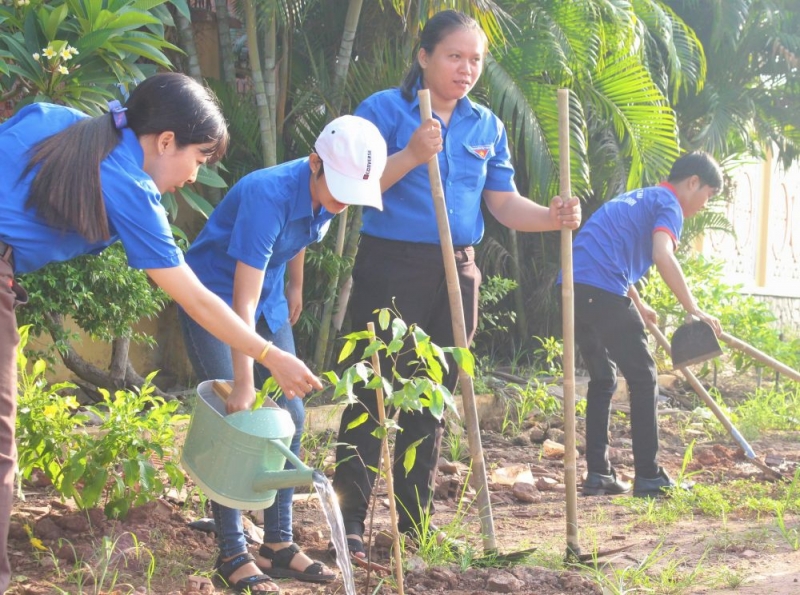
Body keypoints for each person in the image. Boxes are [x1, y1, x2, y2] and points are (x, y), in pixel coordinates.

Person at [0, 72, 322, 595]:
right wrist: (269, 355)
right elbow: (193, 296)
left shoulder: (56, 121)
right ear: (166, 141)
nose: (194, 177)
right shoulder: (128, 183)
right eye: (197, 158)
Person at [330, 9, 581, 559]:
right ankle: (348, 520)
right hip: (390, 264)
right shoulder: (383, 110)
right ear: (424, 56)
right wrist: (413, 154)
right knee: (371, 394)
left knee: (434, 397)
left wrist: (553, 216)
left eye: (475, 60)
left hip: (457, 269)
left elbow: (503, 204)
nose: (466, 69)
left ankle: (414, 525)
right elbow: (354, 187)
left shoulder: (486, 125)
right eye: (454, 56)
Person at [179, 115, 387, 592]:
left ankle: (277, 544)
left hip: (267, 301)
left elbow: (305, 232)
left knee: (291, 415)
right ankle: (232, 553)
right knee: (239, 424)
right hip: (214, 302)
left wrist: (294, 284)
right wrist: (246, 381)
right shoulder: (266, 197)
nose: (341, 204)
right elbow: (239, 302)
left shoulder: (330, 188)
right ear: (314, 163)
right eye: (337, 192)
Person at [569, 151, 723, 499]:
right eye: (708, 194)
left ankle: (598, 474)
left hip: (574, 290)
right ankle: (649, 477)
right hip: (602, 289)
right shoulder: (669, 203)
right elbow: (662, 254)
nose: (704, 204)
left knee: (604, 379)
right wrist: (693, 309)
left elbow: (610, 252)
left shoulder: (640, 197)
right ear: (693, 182)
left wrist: (638, 303)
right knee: (644, 377)